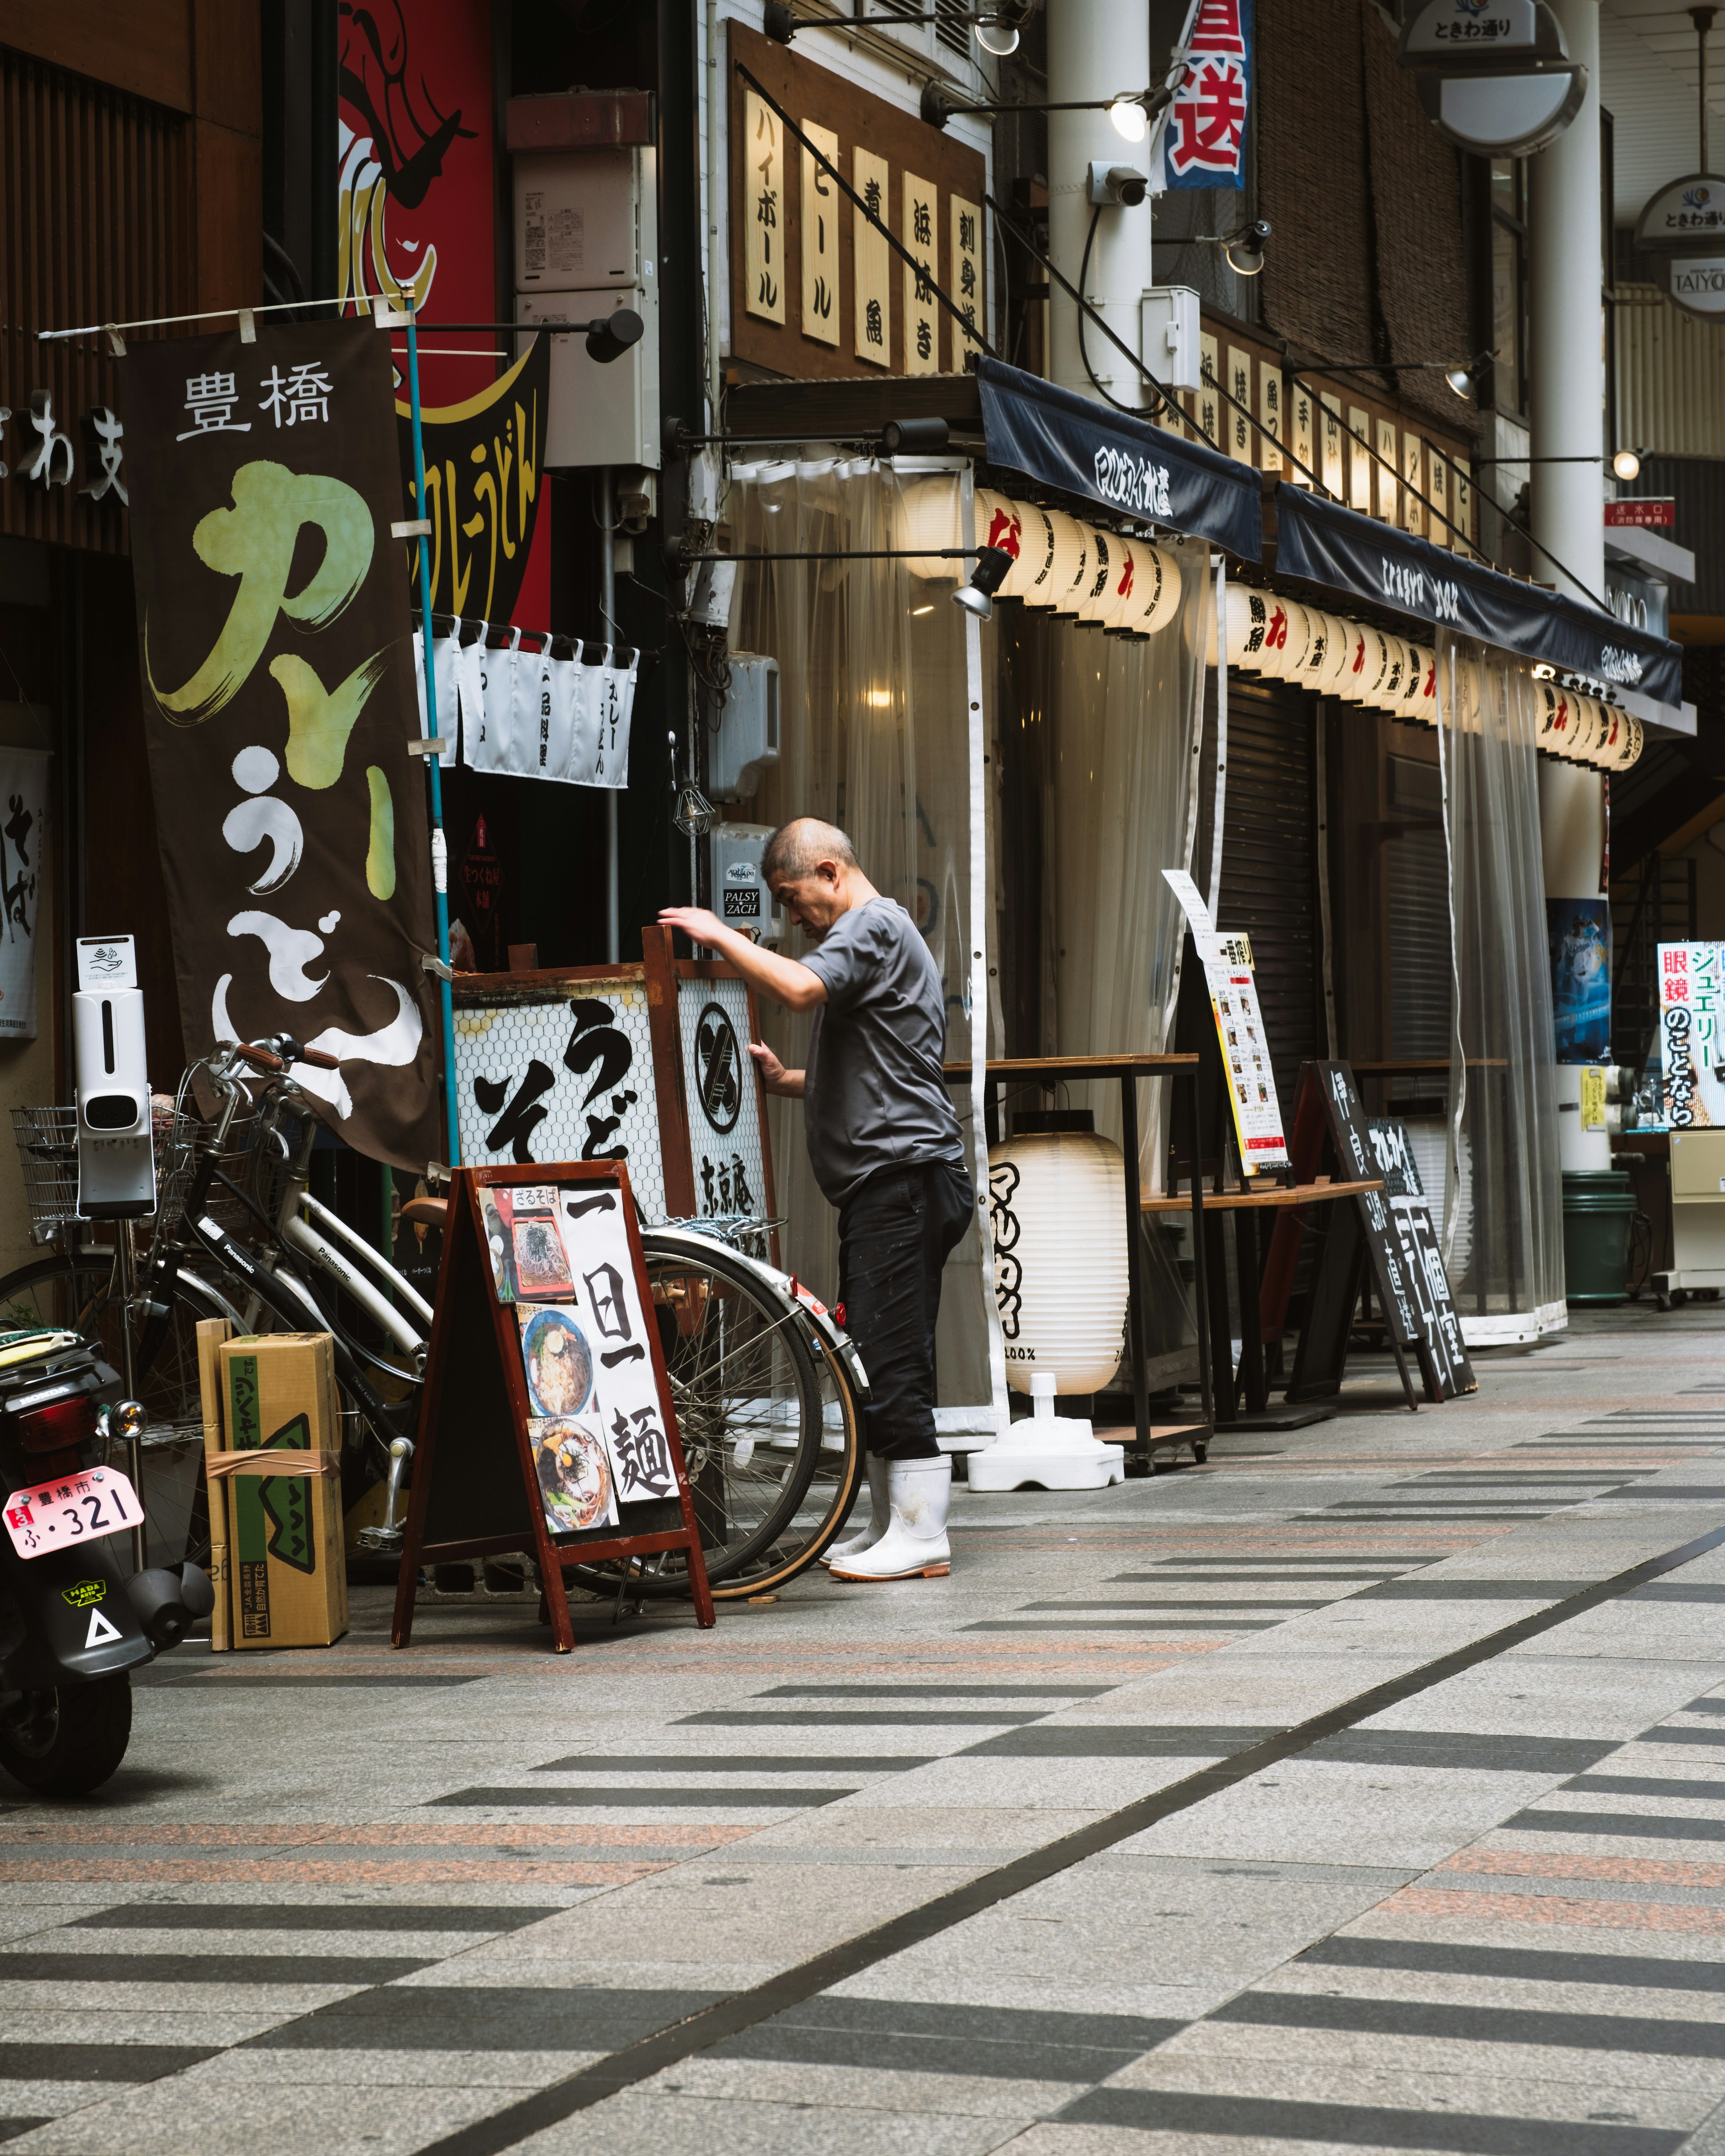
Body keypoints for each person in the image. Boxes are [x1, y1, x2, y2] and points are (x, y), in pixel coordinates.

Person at [659, 817, 974, 1582]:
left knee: (890, 1358)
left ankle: (923, 1532)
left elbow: (798, 990)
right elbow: (889, 1063)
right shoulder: (881, 933)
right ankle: (886, 1523)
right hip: (897, 1177)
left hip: (899, 1178)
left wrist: (716, 934)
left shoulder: (871, 925)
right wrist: (791, 1082)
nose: (789, 918)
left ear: (830, 872)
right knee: (877, 1352)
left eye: (791, 897)